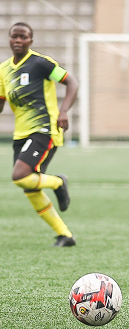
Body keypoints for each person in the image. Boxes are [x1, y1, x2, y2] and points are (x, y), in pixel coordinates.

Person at [0, 22, 78, 247]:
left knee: (20, 176)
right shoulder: (4, 70)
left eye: (23, 37)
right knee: (29, 187)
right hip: (21, 134)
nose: (18, 40)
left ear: (30, 41)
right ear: (9, 39)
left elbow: (72, 82)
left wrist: (64, 111)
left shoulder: (40, 63)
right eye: (14, 36)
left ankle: (57, 182)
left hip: (45, 128)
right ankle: (65, 235)